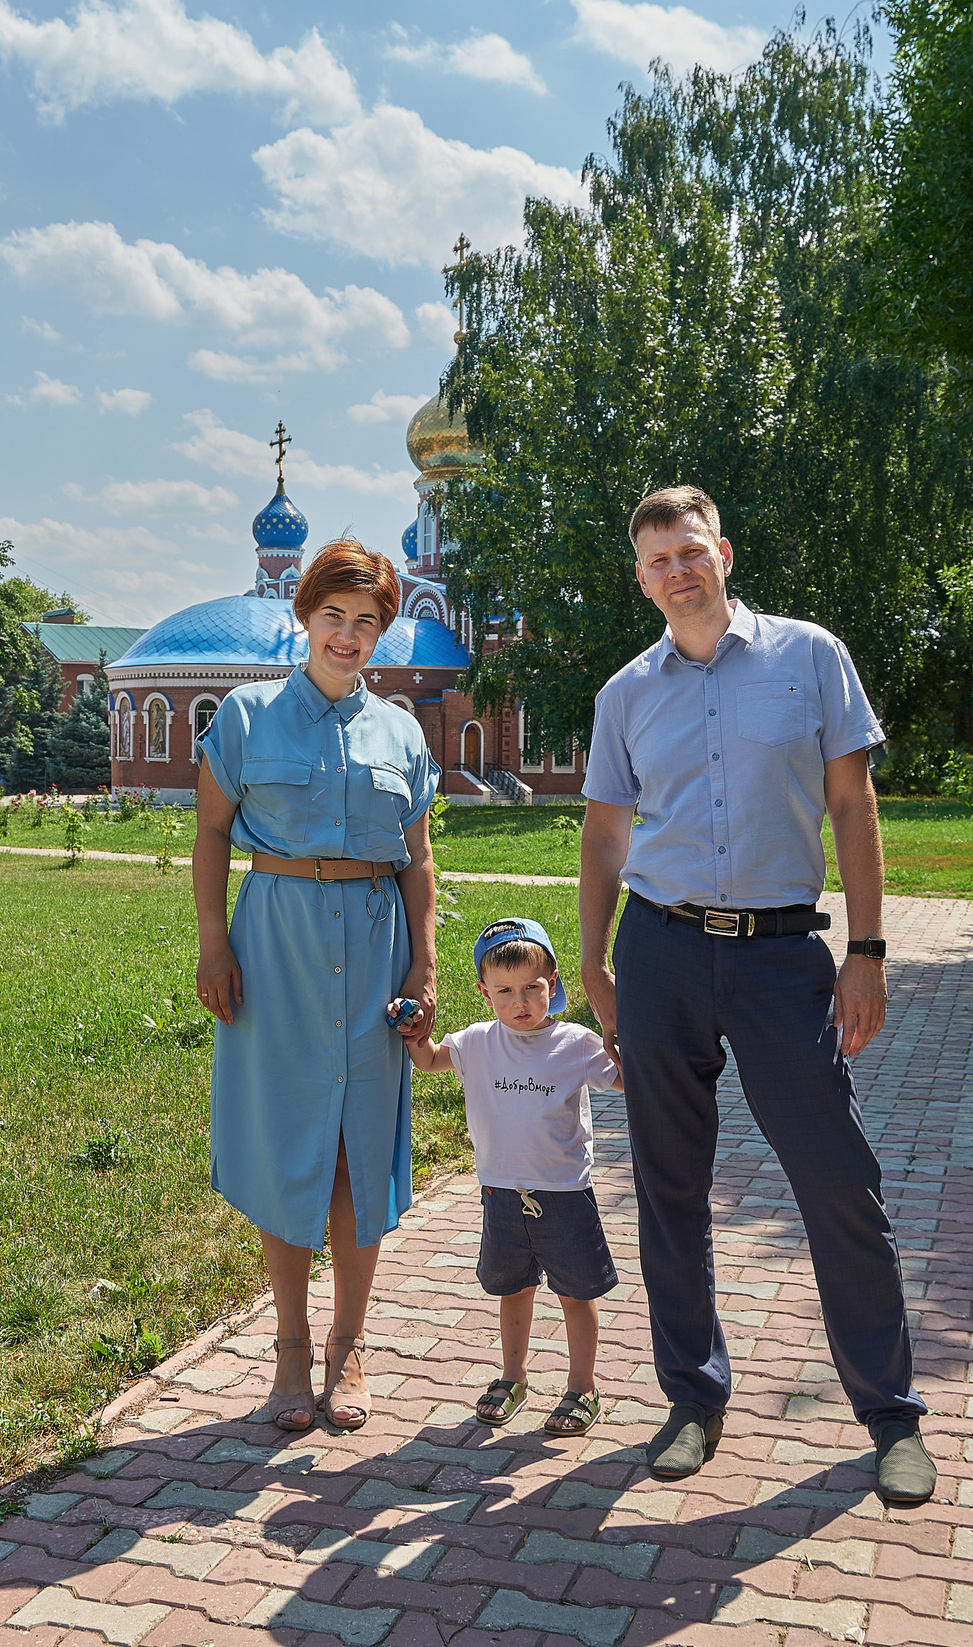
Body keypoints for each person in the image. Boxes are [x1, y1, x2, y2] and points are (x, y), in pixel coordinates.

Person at [575, 485, 934, 1502]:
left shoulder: (808, 656)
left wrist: (865, 948)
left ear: (721, 552)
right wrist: (595, 963)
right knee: (668, 1184)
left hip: (783, 956)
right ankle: (692, 1396)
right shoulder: (625, 694)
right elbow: (604, 837)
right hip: (659, 952)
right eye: (656, 561)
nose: (677, 572)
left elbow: (851, 801)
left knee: (836, 1178)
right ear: (640, 579)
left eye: (689, 552)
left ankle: (890, 1413)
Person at [193, 539, 441, 1433]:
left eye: (366, 621)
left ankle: (351, 1346)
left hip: (375, 951)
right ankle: (290, 1349)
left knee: (358, 1150)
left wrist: (425, 963)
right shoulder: (248, 717)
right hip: (276, 949)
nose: (348, 635)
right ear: (306, 617)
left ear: (381, 631)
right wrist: (213, 939)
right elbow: (213, 833)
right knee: (288, 1141)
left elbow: (417, 860)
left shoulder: (401, 731)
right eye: (333, 616)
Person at [399, 917, 620, 1437]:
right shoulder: (477, 1042)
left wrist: (624, 1032)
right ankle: (513, 1376)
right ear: (484, 991)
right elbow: (430, 1061)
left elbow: (626, 1079)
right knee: (513, 1289)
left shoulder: (576, 1042)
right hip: (500, 1192)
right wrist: (415, 1031)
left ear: (553, 983)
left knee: (576, 1293)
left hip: (565, 1192)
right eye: (504, 991)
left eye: (532, 988)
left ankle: (582, 1386)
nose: (520, 1001)